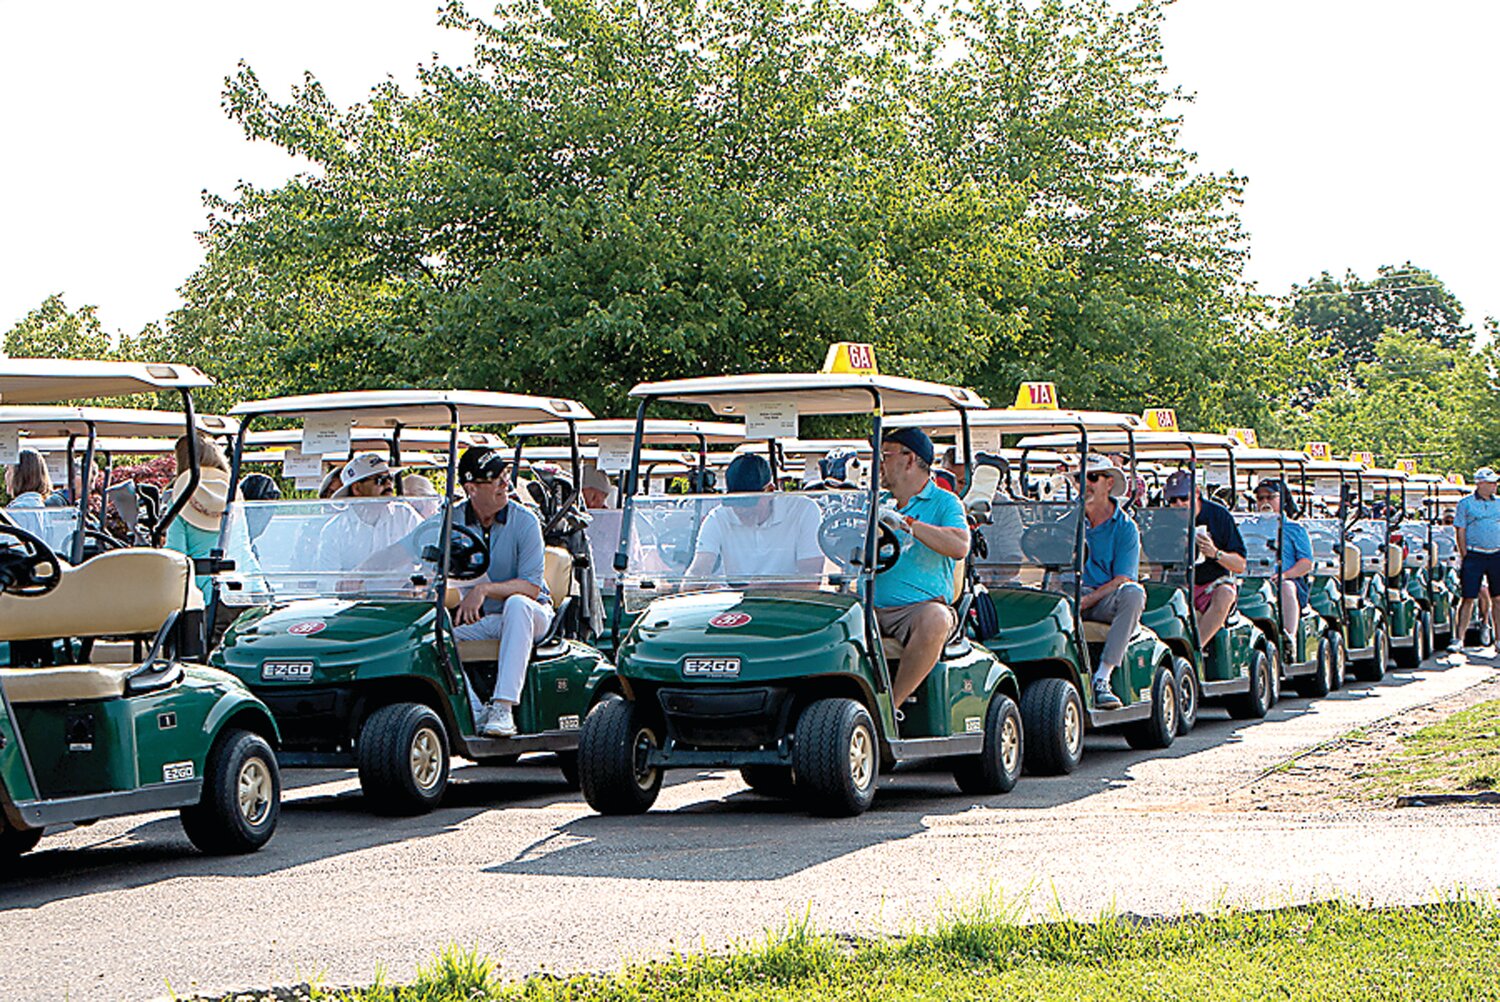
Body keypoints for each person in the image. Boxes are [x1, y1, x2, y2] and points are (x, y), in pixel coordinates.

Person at [449, 446, 554, 738]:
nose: (504, 484)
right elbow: (409, 549)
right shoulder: (452, 519)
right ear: (471, 488)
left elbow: (532, 588)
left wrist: (483, 590)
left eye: (505, 475)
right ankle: (474, 710)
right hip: (485, 621)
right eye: (495, 479)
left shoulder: (525, 521)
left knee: (517, 605)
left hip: (532, 617)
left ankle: (503, 707)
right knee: (433, 634)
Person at [873, 427, 970, 710]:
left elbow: (960, 545)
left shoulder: (945, 502)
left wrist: (908, 524)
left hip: (917, 609)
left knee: (936, 620)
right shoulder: (877, 501)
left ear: (909, 459)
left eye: (886, 456)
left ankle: (890, 708)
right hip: (870, 606)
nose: (880, 464)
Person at [1078, 455, 1146, 711]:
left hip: (1103, 599)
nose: (1085, 484)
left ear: (1108, 483)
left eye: (1092, 478)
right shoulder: (1066, 521)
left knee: (1133, 593)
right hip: (1070, 593)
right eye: (1079, 478)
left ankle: (1102, 678)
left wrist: (1085, 601)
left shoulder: (1126, 527)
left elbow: (1122, 578)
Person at [685, 454, 823, 580]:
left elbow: (811, 578)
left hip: (790, 603)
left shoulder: (804, 510)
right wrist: (687, 588)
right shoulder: (718, 518)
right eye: (735, 502)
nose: (741, 510)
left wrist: (760, 588)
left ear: (770, 491)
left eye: (749, 502)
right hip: (738, 602)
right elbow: (699, 569)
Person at [1163, 470, 1247, 652]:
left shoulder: (1219, 516)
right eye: (1172, 500)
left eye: (1184, 498)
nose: (1179, 505)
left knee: (1225, 594)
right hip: (1179, 585)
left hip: (1213, 584)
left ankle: (1193, 651)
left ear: (1197, 494)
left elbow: (1240, 564)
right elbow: (1155, 566)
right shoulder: (1165, 520)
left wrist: (1215, 553)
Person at [314, 453, 422, 574]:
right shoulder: (334, 529)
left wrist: (416, 587)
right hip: (355, 593)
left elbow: (430, 548)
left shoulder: (405, 515)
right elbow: (328, 582)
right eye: (380, 480)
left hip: (403, 592)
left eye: (390, 478)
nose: (388, 484)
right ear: (357, 489)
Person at [163, 433, 235, 606]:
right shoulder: (233, 497)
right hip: (247, 590)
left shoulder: (181, 502)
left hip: (207, 598)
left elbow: (174, 557)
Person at [1255, 479, 1314, 641]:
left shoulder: (1295, 529)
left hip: (1286, 579)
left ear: (1282, 499)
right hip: (1255, 578)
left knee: (1286, 587)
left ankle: (1289, 637)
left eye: (1270, 497)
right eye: (1260, 498)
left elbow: (1306, 563)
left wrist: (1284, 575)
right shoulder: (1249, 527)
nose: (1265, 502)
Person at [1453, 466, 1500, 649]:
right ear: (1480, 484)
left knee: (1497, 598)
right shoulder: (1466, 504)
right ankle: (1459, 638)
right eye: (1491, 483)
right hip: (1475, 553)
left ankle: (1498, 639)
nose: (1494, 486)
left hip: (1496, 553)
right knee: (1468, 597)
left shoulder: (1499, 503)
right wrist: (1465, 554)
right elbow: (1461, 530)